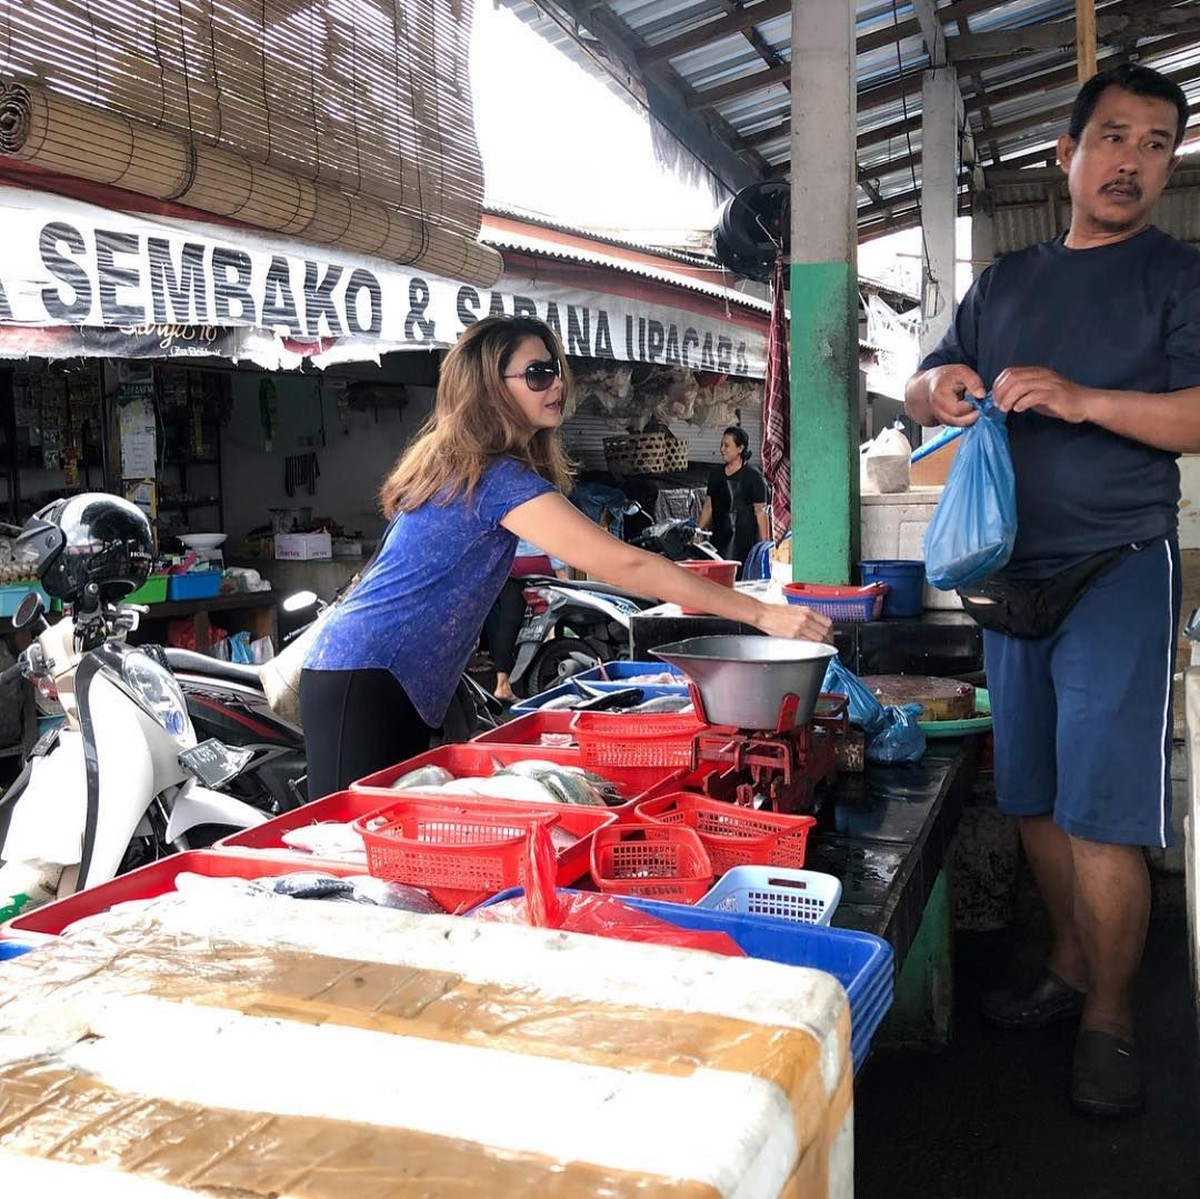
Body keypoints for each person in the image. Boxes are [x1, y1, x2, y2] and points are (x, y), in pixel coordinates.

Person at [904, 64, 1200, 1119]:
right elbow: (920, 386)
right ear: (1064, 155)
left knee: (1103, 812)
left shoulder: (1177, 274)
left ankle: (1114, 1014)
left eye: (1156, 143)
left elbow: (1197, 415)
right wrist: (935, 386)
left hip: (1118, 564)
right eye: (1113, 136)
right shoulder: (1007, 281)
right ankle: (1071, 962)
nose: (1132, 160)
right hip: (1005, 573)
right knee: (1029, 792)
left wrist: (1080, 399)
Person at [301, 314, 831, 800]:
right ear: (490, 389)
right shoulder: (490, 477)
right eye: (536, 373)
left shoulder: (475, 469)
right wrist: (762, 614)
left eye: (554, 370)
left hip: (397, 679)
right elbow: (625, 564)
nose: (555, 383)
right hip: (366, 675)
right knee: (340, 846)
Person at [482, 537, 566, 703]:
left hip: (508, 564)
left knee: (507, 622)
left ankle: (502, 683)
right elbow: (550, 537)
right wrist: (561, 571)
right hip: (537, 563)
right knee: (560, 610)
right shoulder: (540, 511)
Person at [698, 426, 769, 575]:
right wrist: (698, 531)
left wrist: (764, 545)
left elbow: (760, 512)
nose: (722, 449)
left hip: (744, 541)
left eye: (727, 445)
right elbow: (709, 505)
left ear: (740, 448)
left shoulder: (754, 477)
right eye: (721, 445)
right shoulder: (716, 474)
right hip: (719, 537)